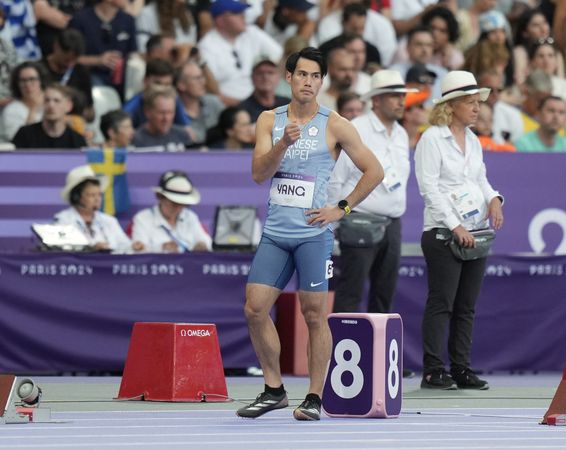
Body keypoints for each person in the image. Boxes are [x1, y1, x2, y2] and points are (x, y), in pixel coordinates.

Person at [236, 47, 383, 421]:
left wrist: (342, 208)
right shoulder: (270, 120)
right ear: (289, 77)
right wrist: (283, 142)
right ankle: (274, 390)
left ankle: (314, 397)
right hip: (276, 233)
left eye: (316, 76)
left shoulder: (334, 124)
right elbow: (258, 174)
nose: (309, 82)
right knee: (254, 309)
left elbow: (374, 171)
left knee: (315, 316)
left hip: (313, 234)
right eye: (302, 74)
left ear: (322, 81)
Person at [414, 70, 504, 390]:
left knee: (466, 305)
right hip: (442, 231)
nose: (477, 107)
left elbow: (478, 179)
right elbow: (429, 188)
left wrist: (494, 198)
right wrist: (455, 225)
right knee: (443, 302)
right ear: (451, 106)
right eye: (470, 102)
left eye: (477, 102)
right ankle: (433, 369)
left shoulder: (474, 140)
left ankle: (461, 368)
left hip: (474, 232)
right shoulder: (432, 138)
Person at [328, 70, 414, 325]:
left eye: (402, 96)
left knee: (384, 293)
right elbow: (337, 177)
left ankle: (381, 361)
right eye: (394, 96)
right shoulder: (357, 128)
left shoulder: (401, 133)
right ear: (376, 100)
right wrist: (332, 220)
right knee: (351, 290)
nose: (401, 101)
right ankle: (340, 359)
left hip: (392, 223)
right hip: (359, 220)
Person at [54, 165, 136, 253]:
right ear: (76, 197)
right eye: (92, 195)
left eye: (99, 195)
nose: (97, 199)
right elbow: (60, 250)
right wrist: (91, 250)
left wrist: (134, 247)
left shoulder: (109, 221)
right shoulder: (63, 220)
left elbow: (126, 247)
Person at [131, 171, 212, 253]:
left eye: (183, 204)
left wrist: (202, 244)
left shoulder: (190, 216)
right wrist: (161, 248)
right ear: (160, 197)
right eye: (174, 203)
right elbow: (138, 251)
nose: (179, 208)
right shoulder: (143, 218)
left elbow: (205, 240)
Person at [12, 84, 87, 149]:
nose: (51, 105)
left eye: (56, 101)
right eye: (47, 100)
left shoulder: (77, 140)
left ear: (68, 106)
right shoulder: (25, 135)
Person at [131, 85, 193, 150]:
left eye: (170, 112)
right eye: (161, 113)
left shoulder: (183, 135)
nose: (166, 118)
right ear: (147, 112)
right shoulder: (136, 140)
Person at [1, 61, 47, 142]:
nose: (27, 84)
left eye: (32, 79)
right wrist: (32, 110)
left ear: (41, 81)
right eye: (23, 80)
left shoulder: (54, 103)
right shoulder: (12, 110)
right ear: (17, 84)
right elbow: (21, 142)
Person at [238, 57, 290, 124]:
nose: (265, 77)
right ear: (252, 77)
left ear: (278, 77)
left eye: (270, 73)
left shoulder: (288, 104)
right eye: (260, 73)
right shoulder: (243, 110)